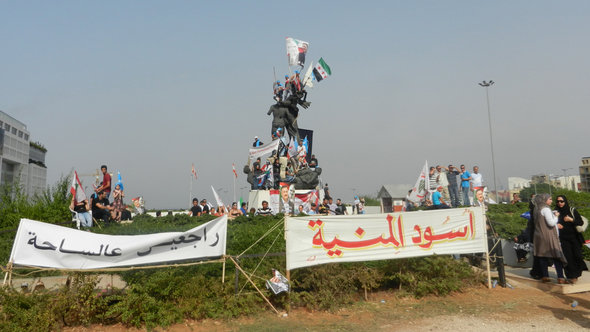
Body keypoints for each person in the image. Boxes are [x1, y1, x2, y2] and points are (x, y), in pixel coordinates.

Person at [533, 193, 567, 284]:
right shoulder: (546, 209)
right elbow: (551, 223)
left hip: (539, 236)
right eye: (550, 199)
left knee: (542, 256)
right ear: (545, 200)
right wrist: (556, 216)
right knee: (556, 255)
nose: (552, 201)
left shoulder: (536, 208)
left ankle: (545, 276)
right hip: (548, 236)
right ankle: (560, 277)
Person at [555, 195, 588, 283]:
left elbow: (580, 222)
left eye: (562, 201)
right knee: (568, 257)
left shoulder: (571, 210)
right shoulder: (555, 212)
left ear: (565, 201)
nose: (560, 203)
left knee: (577, 256)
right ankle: (571, 276)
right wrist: (556, 224)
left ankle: (577, 273)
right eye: (558, 201)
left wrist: (571, 220)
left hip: (575, 238)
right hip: (563, 239)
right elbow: (550, 223)